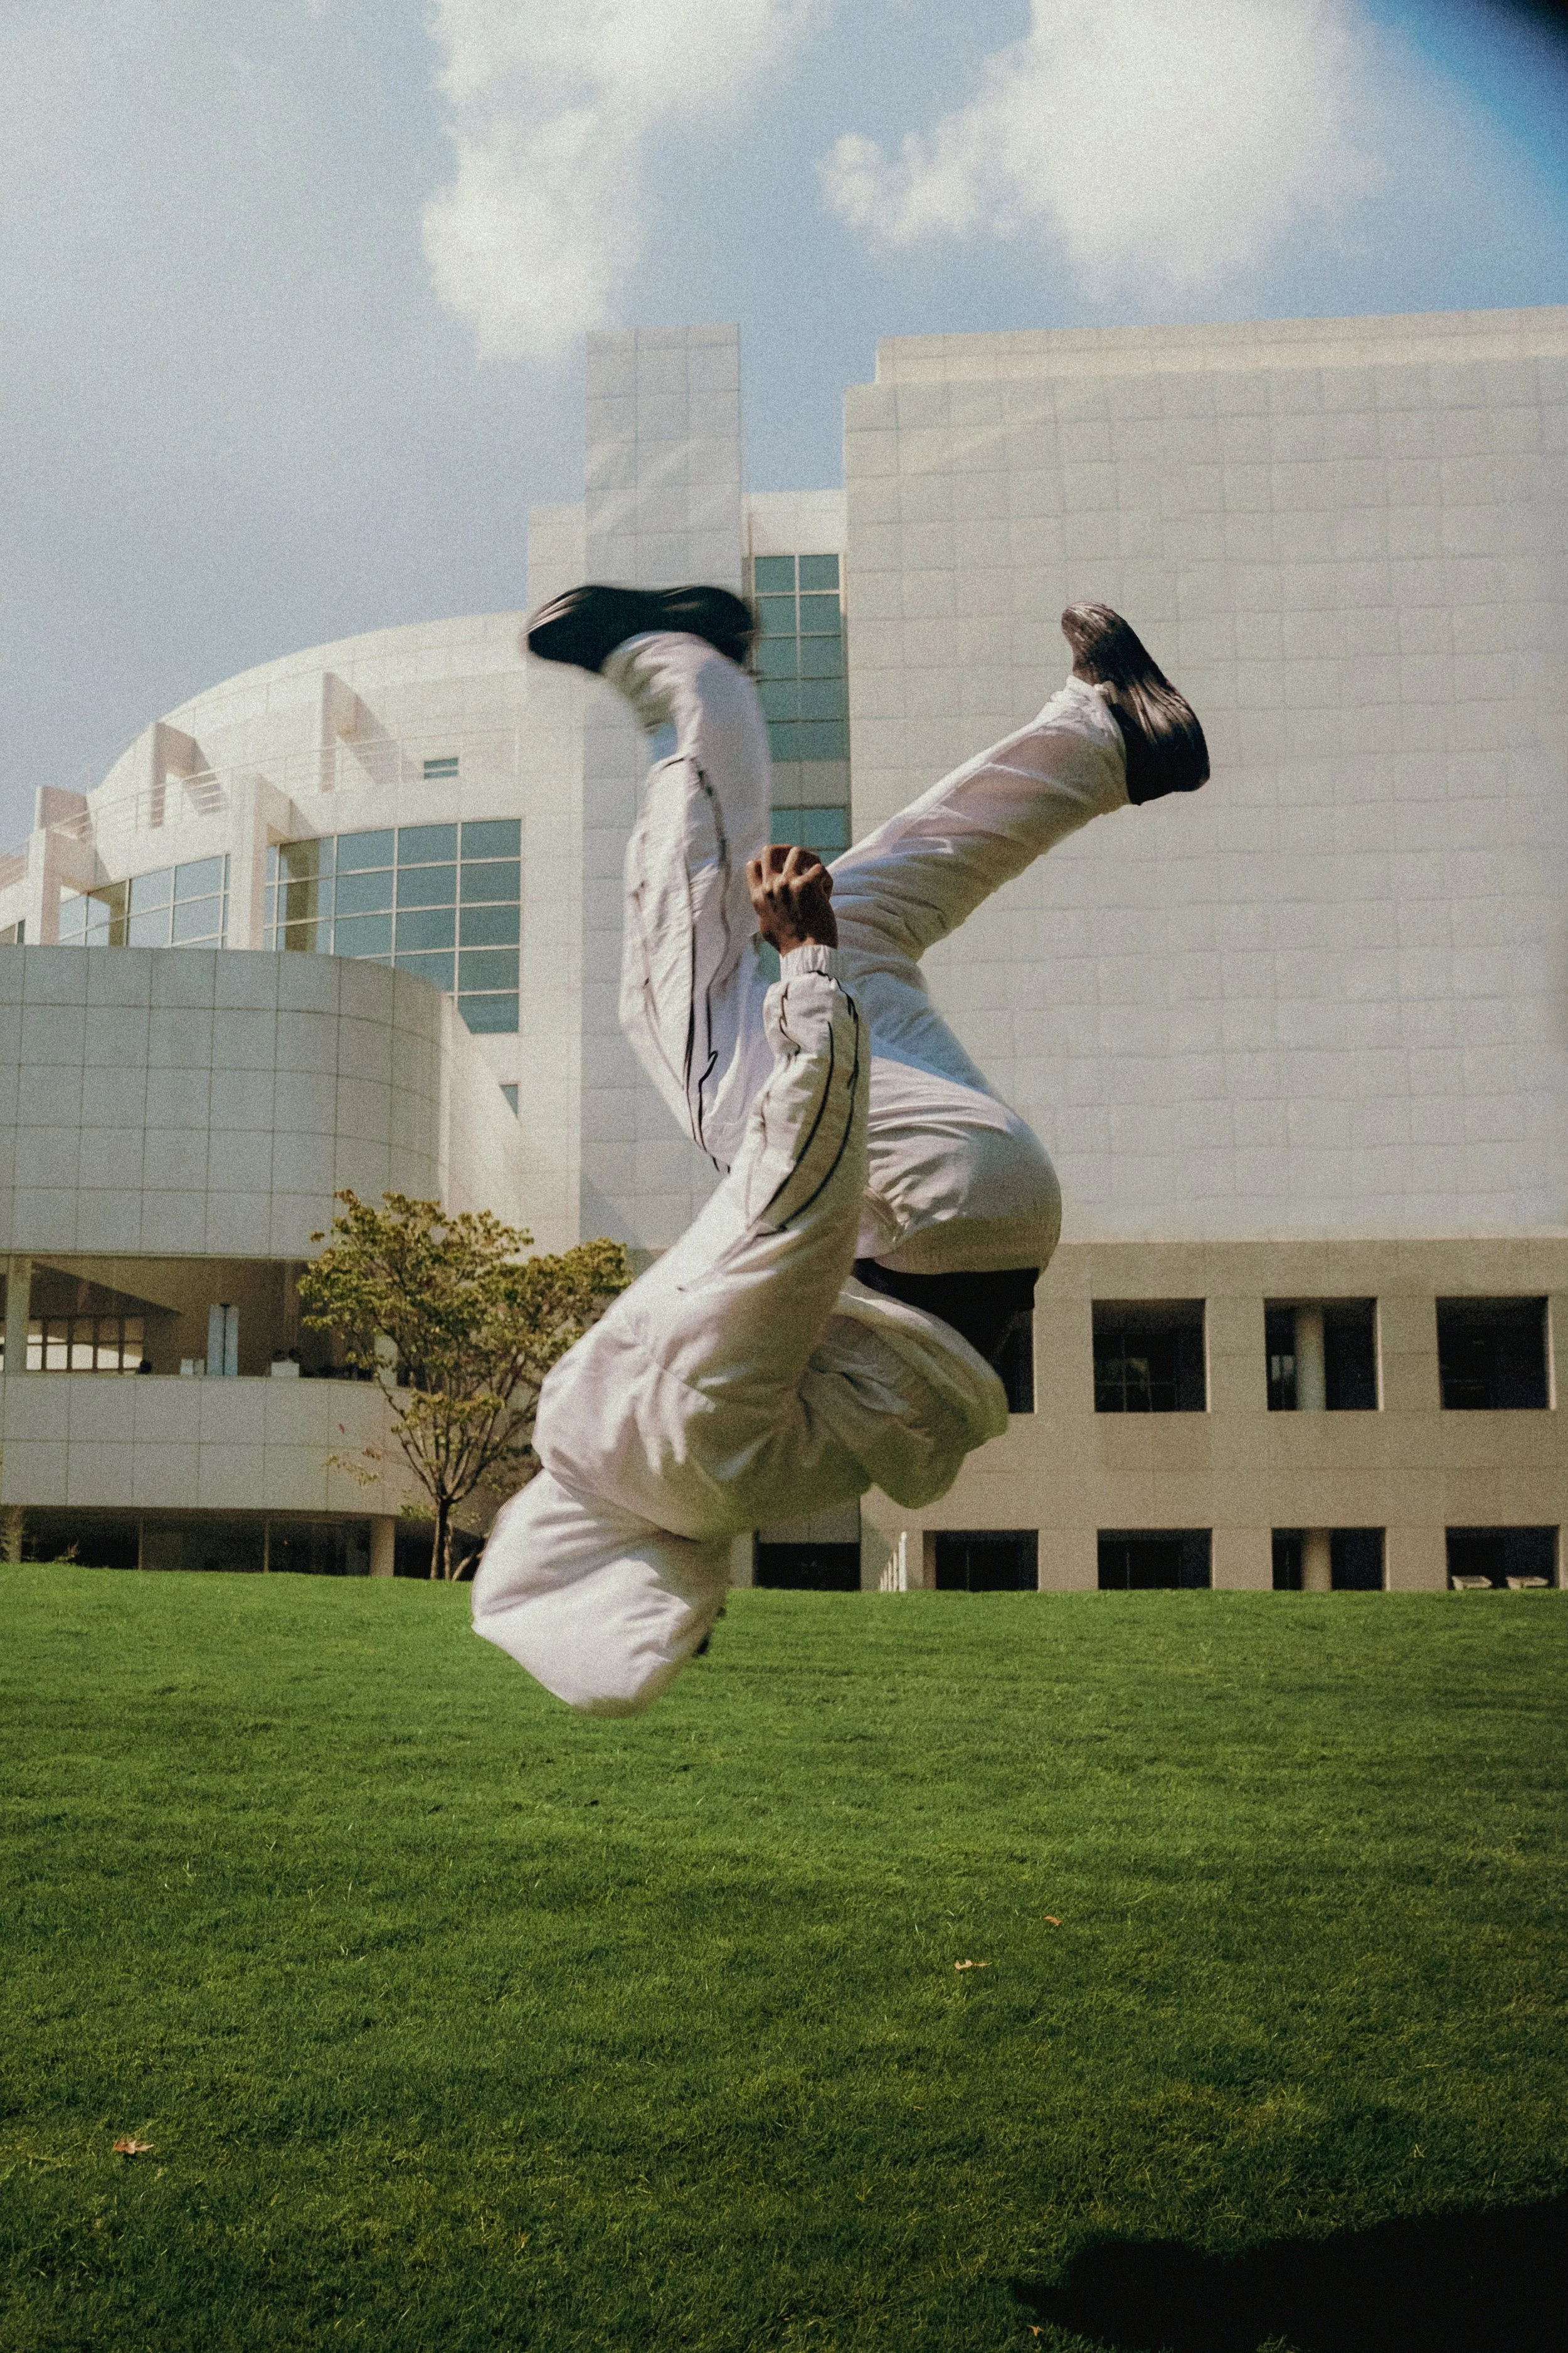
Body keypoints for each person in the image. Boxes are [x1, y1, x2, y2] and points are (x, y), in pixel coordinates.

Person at [471, 588, 1207, 1714]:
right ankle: (684, 668)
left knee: (858, 914)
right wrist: (807, 971)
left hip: (962, 1225)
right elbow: (785, 1234)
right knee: (686, 1011)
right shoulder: (647, 1447)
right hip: (918, 1212)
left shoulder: (679, 1486)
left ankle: (1109, 734)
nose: (704, 1622)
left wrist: (829, 953)